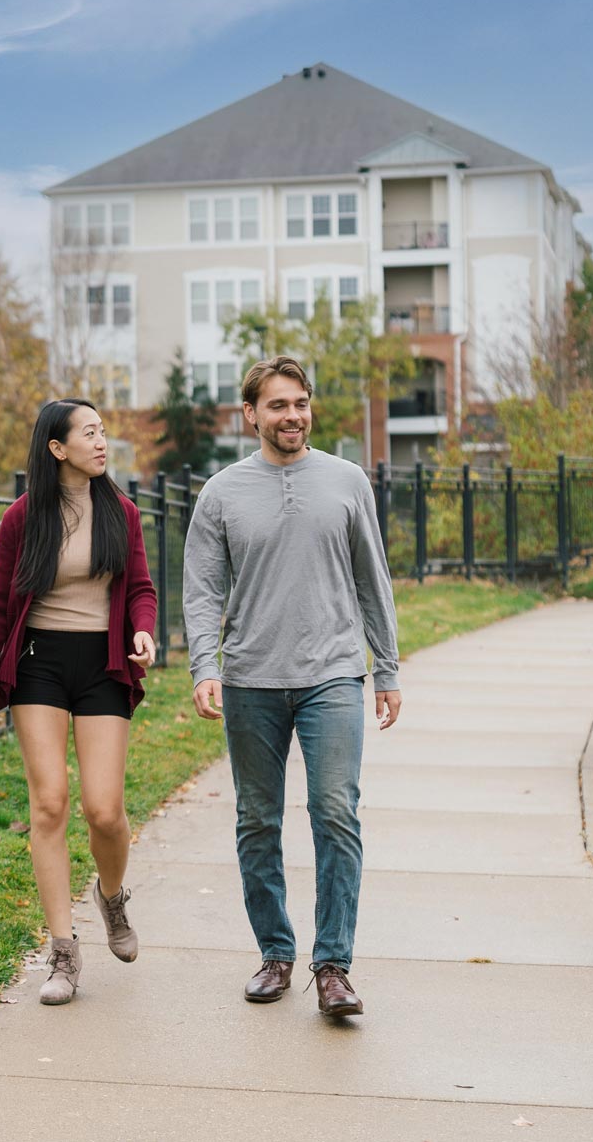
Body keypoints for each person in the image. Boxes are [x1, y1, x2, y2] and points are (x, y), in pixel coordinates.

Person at [181, 355, 403, 1019]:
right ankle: (275, 953)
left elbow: (374, 578)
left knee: (336, 813)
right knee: (258, 821)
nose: (293, 416)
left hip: (332, 673)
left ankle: (332, 966)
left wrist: (386, 667)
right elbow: (201, 591)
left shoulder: (346, 480)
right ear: (250, 413)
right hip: (251, 678)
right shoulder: (221, 492)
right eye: (278, 405)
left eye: (301, 402)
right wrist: (204, 665)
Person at [0, 398, 158, 1004]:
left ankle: (111, 895)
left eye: (104, 432)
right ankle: (63, 952)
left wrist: (142, 629)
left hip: (102, 665)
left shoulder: (121, 512)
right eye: (90, 433)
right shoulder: (23, 519)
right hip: (37, 665)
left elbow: (142, 587)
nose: (103, 443)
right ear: (57, 448)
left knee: (104, 810)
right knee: (49, 804)